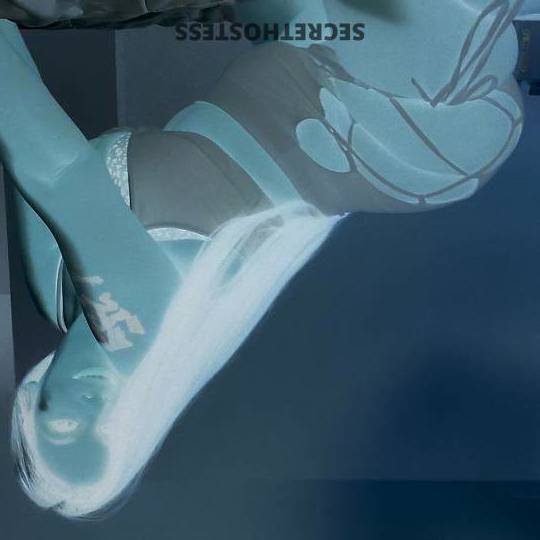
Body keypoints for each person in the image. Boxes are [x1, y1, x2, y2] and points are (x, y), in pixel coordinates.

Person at [2, 0, 525, 518]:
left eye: (66, 425)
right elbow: (51, 166)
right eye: (111, 435)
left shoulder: (53, 290)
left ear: (33, 395)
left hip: (307, 53)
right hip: (377, 127)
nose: (94, 410)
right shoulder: (134, 330)